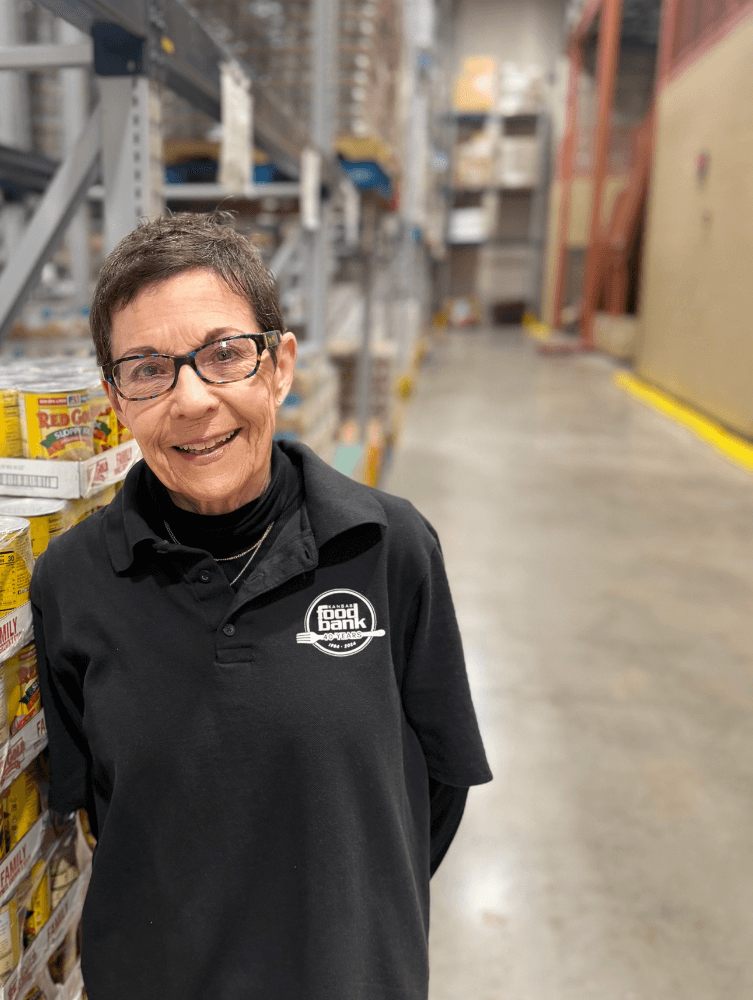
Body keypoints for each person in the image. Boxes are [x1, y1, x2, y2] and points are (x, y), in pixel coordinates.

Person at [32, 213, 492, 999]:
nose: (191, 400)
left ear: (279, 367)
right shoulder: (73, 583)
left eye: (223, 355)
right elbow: (102, 814)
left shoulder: (390, 549)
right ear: (116, 399)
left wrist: (351, 922)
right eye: (148, 370)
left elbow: (435, 794)